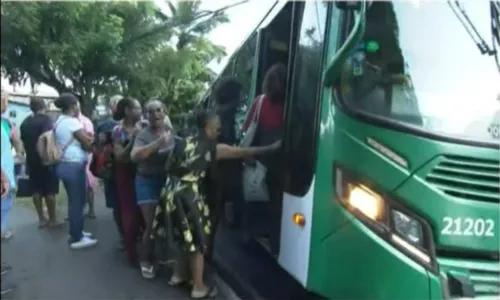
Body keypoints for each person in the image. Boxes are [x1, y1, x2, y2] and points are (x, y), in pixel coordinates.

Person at [153, 111, 281, 299]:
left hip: (170, 192)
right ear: (207, 127)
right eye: (217, 128)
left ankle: (178, 275)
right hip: (190, 196)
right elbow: (243, 152)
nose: (219, 131)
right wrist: (272, 148)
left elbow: (167, 167)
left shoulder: (181, 142)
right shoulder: (212, 148)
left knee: (183, 236)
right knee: (198, 240)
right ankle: (198, 287)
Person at [241, 62, 287, 253]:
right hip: (279, 161)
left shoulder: (259, 102)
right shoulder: (289, 104)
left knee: (254, 199)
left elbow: (246, 130)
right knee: (276, 204)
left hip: (259, 159)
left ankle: (251, 236)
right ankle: (275, 241)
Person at [130, 100, 173, 279]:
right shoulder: (143, 134)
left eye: (158, 110)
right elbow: (134, 156)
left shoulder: (170, 130)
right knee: (151, 224)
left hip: (165, 181)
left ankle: (160, 256)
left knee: (165, 222)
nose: (155, 114)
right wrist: (158, 143)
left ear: (164, 112)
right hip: (146, 182)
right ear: (146, 116)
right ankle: (145, 260)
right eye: (151, 112)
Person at [53, 93, 97, 249]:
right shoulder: (72, 122)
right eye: (78, 104)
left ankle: (77, 231)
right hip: (74, 165)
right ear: (73, 106)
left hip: (65, 164)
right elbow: (86, 143)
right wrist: (93, 141)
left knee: (75, 201)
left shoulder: (59, 121)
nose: (79, 107)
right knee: (77, 202)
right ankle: (77, 237)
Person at [112, 97, 144, 266]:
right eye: (137, 108)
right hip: (126, 174)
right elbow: (120, 157)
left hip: (145, 174)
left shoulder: (146, 125)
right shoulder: (118, 131)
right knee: (130, 213)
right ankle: (132, 253)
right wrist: (134, 139)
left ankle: (147, 251)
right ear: (127, 111)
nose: (141, 111)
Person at [20, 97, 61, 228]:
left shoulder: (25, 123)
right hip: (45, 159)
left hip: (31, 160)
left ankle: (41, 218)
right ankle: (53, 219)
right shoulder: (47, 121)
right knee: (50, 190)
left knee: (36, 190)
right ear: (44, 106)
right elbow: (47, 140)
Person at [96, 95, 123, 249]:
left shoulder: (103, 125)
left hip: (111, 171)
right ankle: (127, 236)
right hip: (118, 170)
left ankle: (123, 237)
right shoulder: (138, 124)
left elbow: (96, 147)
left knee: (117, 206)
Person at [76, 96, 98, 219]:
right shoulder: (69, 121)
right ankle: (77, 211)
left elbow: (90, 138)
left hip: (86, 156)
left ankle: (91, 210)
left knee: (89, 184)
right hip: (75, 158)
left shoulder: (85, 121)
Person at [1, 89, 17, 241]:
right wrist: (4, 178)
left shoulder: (4, 122)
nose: (6, 103)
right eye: (5, 100)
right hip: (3, 174)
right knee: (4, 203)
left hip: (5, 170)